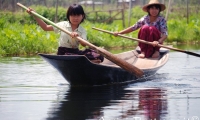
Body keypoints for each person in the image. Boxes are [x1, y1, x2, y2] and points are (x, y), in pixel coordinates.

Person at [27, 4, 104, 63]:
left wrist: (78, 36)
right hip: (64, 52)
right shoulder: (62, 25)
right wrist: (35, 15)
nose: (75, 18)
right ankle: (87, 61)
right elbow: (45, 27)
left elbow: (84, 44)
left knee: (99, 55)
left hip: (75, 52)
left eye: (78, 15)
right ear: (68, 16)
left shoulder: (82, 30)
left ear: (82, 16)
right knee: (71, 57)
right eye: (73, 15)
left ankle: (88, 61)